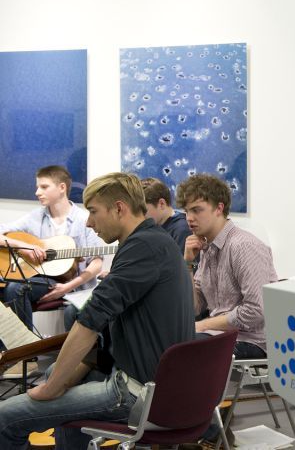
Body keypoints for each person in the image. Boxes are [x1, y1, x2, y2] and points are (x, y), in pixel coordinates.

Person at [0, 172, 195, 449]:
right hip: (153, 378)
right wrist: (67, 374)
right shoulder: (153, 240)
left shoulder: (143, 247)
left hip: (138, 390)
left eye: (93, 212)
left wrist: (54, 387)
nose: (89, 223)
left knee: (7, 416)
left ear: (119, 208)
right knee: (55, 371)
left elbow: (90, 320)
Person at [0, 166, 104, 359]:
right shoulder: (35, 217)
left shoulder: (83, 219)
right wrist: (23, 246)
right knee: (4, 287)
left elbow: (96, 264)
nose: (37, 192)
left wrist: (67, 287)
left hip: (72, 285)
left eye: (43, 187)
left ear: (62, 188)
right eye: (38, 187)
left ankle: (24, 357)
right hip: (39, 279)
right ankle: (6, 354)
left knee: (15, 289)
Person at [176, 173, 278, 358]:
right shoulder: (207, 247)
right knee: (165, 339)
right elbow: (194, 308)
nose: (189, 218)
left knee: (179, 350)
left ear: (219, 208)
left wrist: (204, 324)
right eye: (186, 211)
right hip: (220, 335)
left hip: (251, 341)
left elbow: (256, 310)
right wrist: (188, 264)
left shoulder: (243, 246)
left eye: (197, 210)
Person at [140, 176, 192, 255]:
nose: (140, 217)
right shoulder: (155, 227)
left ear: (161, 204)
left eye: (144, 211)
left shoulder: (181, 230)